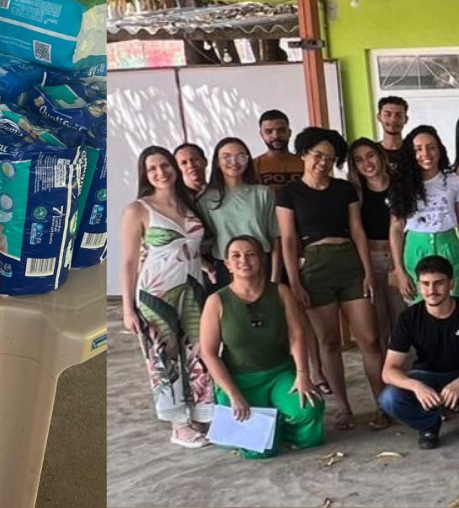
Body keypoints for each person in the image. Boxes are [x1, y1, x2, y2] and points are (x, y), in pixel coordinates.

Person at [276, 128, 389, 432]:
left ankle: (382, 404)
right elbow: (287, 240)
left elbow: (357, 230)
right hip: (314, 268)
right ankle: (344, 408)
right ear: (303, 154)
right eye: (317, 156)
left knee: (369, 339)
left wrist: (367, 271)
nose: (323, 163)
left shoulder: (344, 190)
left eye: (330, 158)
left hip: (350, 263)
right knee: (328, 342)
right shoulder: (289, 193)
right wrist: (295, 282)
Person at [197, 236, 327, 458]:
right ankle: (266, 428)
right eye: (235, 256)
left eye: (250, 254)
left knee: (308, 407)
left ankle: (284, 429)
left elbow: (297, 335)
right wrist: (233, 393)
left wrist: (303, 374)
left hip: (278, 374)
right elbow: (209, 353)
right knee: (261, 451)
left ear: (261, 260)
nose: (243, 260)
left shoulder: (281, 292)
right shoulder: (216, 301)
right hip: (238, 379)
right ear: (227, 264)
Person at [123, 145, 216, 447]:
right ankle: (179, 424)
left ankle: (204, 413)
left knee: (200, 348)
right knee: (164, 355)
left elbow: (183, 244)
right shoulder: (138, 209)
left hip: (193, 287)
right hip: (155, 292)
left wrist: (203, 265)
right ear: (145, 174)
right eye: (152, 169)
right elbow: (127, 261)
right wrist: (127, 308)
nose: (160, 172)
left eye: (165, 165)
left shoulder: (187, 204)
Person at [377, 255, 459, 449]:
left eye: (438, 283)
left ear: (451, 283)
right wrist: (415, 386)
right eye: (426, 284)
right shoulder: (408, 318)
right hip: (426, 376)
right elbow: (388, 371)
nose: (431, 290)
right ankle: (429, 424)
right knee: (389, 399)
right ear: (419, 285)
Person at [389, 125, 459, 302]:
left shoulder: (454, 182)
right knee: (419, 308)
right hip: (416, 248)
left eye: (431, 147)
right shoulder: (402, 184)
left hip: (450, 247)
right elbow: (396, 228)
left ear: (439, 150)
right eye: (418, 149)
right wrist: (399, 270)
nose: (426, 154)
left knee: (454, 305)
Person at [199, 137, 281, 288]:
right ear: (217, 162)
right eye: (227, 156)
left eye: (241, 156)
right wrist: (207, 267)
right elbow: (196, 242)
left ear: (248, 160)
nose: (234, 162)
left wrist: (275, 277)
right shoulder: (205, 200)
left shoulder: (263, 193)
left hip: (262, 265)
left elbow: (275, 238)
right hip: (226, 269)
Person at [348, 136, 404, 342]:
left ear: (381, 156)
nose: (367, 163)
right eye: (359, 160)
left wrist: (398, 265)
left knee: (403, 319)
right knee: (378, 322)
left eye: (370, 155)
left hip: (400, 257)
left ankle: (407, 371)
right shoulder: (354, 192)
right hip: (369, 259)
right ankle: (384, 373)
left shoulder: (400, 185)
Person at [253, 109, 303, 188]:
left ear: (289, 132)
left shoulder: (305, 162)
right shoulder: (253, 166)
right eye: (269, 131)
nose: (276, 136)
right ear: (261, 134)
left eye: (281, 130)